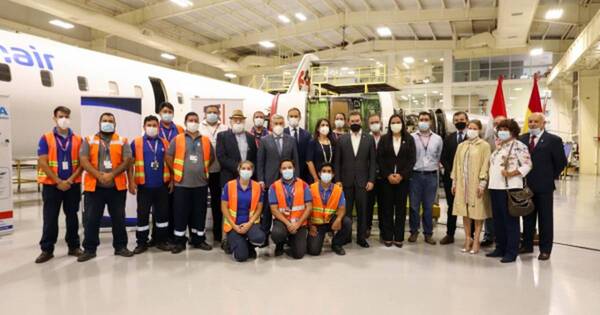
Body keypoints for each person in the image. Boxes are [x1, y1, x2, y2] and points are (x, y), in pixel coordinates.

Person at [78, 113, 134, 262]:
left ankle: (120, 247)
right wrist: (98, 174)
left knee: (119, 219)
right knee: (91, 220)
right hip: (94, 187)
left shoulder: (122, 141)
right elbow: (83, 160)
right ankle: (89, 250)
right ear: (99, 123)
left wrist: (112, 175)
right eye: (105, 121)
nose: (107, 123)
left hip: (116, 187)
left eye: (110, 121)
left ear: (115, 124)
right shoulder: (89, 140)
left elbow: (127, 161)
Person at [35, 106, 84, 263]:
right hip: (51, 186)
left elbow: (82, 163)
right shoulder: (46, 138)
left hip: (72, 185)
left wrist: (69, 181)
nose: (64, 119)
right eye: (61, 116)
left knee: (72, 217)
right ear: (54, 118)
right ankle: (47, 249)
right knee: (50, 218)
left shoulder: (78, 139)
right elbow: (42, 161)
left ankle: (74, 246)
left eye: (67, 116)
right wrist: (58, 181)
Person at [518, 113, 567, 261]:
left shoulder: (553, 140)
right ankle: (527, 245)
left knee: (545, 219)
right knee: (527, 217)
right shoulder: (522, 139)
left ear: (543, 123)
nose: (532, 124)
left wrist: (547, 176)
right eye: (530, 121)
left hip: (544, 187)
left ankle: (545, 249)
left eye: (535, 121)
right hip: (525, 186)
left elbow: (560, 162)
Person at [166, 112, 214, 254]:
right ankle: (179, 241)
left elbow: (212, 157)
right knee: (180, 214)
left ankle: (198, 239)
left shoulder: (205, 140)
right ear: (186, 122)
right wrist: (175, 172)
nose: (193, 122)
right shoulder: (178, 139)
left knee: (199, 213)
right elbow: (168, 156)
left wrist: (202, 168)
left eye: (195, 120)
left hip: (201, 184)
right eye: (190, 120)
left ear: (199, 122)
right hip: (182, 184)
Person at [486, 119, 532, 263]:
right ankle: (500, 247)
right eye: (500, 129)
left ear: (513, 131)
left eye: (506, 129)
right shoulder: (499, 147)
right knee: (498, 220)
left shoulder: (519, 146)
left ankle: (511, 251)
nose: (502, 132)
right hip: (495, 187)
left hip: (509, 188)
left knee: (510, 221)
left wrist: (513, 173)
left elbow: (528, 165)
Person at [128, 115, 172, 254]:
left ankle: (161, 240)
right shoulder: (136, 142)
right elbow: (130, 165)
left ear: (158, 127)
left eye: (154, 125)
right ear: (144, 127)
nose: (152, 128)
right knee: (142, 215)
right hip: (144, 186)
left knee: (162, 215)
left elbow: (170, 163)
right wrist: (131, 181)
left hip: (162, 186)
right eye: (149, 125)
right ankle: (141, 243)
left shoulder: (165, 142)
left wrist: (172, 180)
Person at [334, 111, 376, 248]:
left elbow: (373, 162)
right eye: (352, 121)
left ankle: (361, 237)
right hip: (345, 182)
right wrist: (338, 180)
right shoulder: (342, 139)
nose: (355, 123)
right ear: (348, 122)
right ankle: (346, 236)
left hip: (363, 182)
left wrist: (371, 180)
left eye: (357, 121)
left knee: (362, 211)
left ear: (361, 121)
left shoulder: (369, 139)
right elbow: (337, 162)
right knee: (346, 212)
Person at [450, 120, 492, 254]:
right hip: (463, 185)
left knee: (477, 213)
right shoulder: (461, 145)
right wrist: (454, 182)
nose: (471, 130)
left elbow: (486, 164)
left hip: (476, 185)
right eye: (470, 127)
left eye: (474, 128)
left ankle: (476, 240)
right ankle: (468, 238)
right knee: (465, 212)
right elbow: (456, 164)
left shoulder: (484, 145)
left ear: (479, 130)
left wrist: (482, 183)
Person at [256, 114, 299, 240]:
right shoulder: (264, 140)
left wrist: (296, 178)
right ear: (271, 125)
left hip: (288, 181)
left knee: (287, 209)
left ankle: (285, 237)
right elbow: (260, 162)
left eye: (281, 123)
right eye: (276, 123)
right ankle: (263, 237)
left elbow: (295, 160)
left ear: (284, 124)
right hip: (270, 181)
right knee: (267, 210)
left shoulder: (291, 140)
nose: (278, 126)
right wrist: (261, 179)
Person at [377, 114, 416, 248]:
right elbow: (380, 159)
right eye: (393, 122)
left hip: (402, 181)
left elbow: (411, 160)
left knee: (400, 209)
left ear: (402, 124)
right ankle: (388, 236)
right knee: (387, 208)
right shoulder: (384, 139)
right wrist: (388, 175)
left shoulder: (409, 139)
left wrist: (401, 175)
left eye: (398, 122)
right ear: (389, 124)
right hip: (386, 180)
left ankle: (399, 237)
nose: (395, 124)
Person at [408, 111, 443, 245]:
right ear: (418, 121)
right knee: (414, 206)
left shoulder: (438, 139)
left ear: (430, 122)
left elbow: (438, 156)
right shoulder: (411, 137)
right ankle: (414, 232)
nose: (423, 121)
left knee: (428, 206)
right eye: (421, 119)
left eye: (426, 119)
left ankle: (428, 234)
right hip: (415, 175)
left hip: (431, 176)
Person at [221, 160, 266, 262]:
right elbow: (224, 208)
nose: (246, 171)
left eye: (249, 169)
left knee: (259, 238)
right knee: (241, 257)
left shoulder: (257, 186)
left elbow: (259, 208)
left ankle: (249, 245)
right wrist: (234, 226)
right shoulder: (229, 185)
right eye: (243, 168)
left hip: (250, 223)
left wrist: (249, 224)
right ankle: (230, 242)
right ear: (238, 170)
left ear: (252, 171)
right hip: (233, 224)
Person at [269, 159, 312, 258]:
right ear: (280, 170)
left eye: (289, 167)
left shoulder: (304, 185)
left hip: (299, 222)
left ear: (294, 169)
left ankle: (291, 239)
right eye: (284, 168)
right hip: (282, 222)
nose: (287, 170)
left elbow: (309, 208)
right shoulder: (274, 186)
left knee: (299, 255)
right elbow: (274, 210)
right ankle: (280, 244)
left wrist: (297, 225)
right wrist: (289, 224)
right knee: (277, 234)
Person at [199, 104, 229, 246]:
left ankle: (218, 234)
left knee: (218, 205)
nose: (212, 114)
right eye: (209, 112)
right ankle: (199, 234)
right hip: (202, 172)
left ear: (219, 114)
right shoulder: (198, 127)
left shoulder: (224, 128)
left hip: (219, 171)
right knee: (200, 204)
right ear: (204, 113)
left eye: (215, 112)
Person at [307, 163, 351, 256]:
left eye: (329, 172)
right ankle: (319, 238)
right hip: (316, 224)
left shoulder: (338, 190)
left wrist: (338, 220)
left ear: (333, 175)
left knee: (347, 222)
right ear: (319, 174)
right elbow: (306, 210)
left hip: (331, 221)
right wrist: (310, 225)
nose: (326, 173)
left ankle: (336, 244)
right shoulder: (311, 188)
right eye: (324, 171)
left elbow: (342, 208)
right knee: (313, 251)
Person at [156, 101, 184, 246]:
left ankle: (173, 236)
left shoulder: (179, 129)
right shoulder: (154, 127)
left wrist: (175, 176)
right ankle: (159, 237)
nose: (167, 113)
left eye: (169, 111)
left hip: (175, 173)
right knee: (160, 209)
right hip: (158, 173)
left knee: (174, 206)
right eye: (164, 111)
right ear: (160, 113)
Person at [440, 111, 469, 245]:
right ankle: (450, 234)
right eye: (456, 120)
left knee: (469, 206)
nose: (459, 122)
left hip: (469, 178)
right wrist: (453, 172)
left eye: (461, 119)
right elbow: (443, 157)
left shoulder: (473, 137)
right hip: (450, 178)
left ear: (467, 120)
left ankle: (471, 235)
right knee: (452, 206)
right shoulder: (449, 138)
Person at [481, 115, 506, 247]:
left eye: (501, 123)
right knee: (489, 208)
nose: (498, 126)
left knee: (506, 210)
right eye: (496, 124)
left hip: (507, 181)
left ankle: (504, 236)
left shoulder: (513, 140)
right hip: (491, 180)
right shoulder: (487, 140)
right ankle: (489, 235)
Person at [366, 113, 384, 239]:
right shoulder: (365, 138)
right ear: (368, 125)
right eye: (372, 123)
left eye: (376, 122)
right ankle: (367, 227)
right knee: (368, 205)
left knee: (384, 205)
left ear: (381, 123)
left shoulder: (386, 138)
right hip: (369, 178)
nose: (375, 124)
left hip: (384, 178)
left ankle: (384, 230)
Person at [284, 107, 311, 182]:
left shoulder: (307, 134)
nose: (293, 118)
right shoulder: (283, 133)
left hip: (303, 173)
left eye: (296, 116)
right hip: (286, 171)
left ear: (300, 118)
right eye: (291, 116)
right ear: (287, 118)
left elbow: (308, 155)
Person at [306, 118, 335, 183]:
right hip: (317, 178)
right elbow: (309, 161)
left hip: (330, 177)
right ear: (318, 128)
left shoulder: (333, 142)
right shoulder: (313, 142)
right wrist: (315, 177)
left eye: (327, 125)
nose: (325, 127)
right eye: (322, 125)